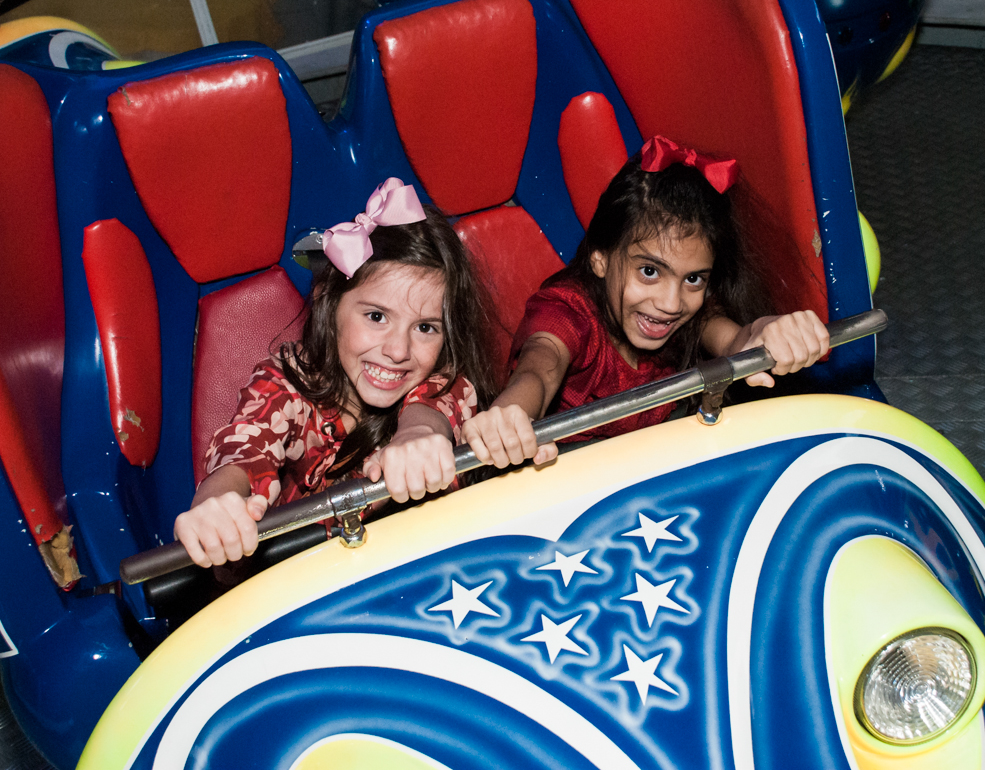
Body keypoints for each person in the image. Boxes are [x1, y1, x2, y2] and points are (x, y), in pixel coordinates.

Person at [174, 178, 494, 569]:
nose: (398, 351)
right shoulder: (287, 383)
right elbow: (244, 450)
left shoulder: (445, 382)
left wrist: (418, 438)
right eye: (376, 317)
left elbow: (432, 414)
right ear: (329, 301)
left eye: (425, 327)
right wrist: (217, 507)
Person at [462, 135, 829, 469]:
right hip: (572, 473)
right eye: (650, 272)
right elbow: (541, 366)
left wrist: (771, 333)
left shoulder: (692, 314)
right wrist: (511, 415)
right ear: (600, 258)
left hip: (661, 463)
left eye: (693, 278)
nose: (671, 303)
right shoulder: (566, 311)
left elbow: (738, 339)